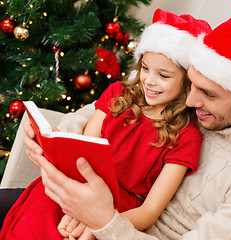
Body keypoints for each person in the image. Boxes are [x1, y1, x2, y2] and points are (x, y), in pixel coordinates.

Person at [5, 9, 231, 239]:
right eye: (192, 85)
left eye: (208, 94)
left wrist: (103, 222)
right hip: (90, 204)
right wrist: (57, 136)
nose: (189, 103)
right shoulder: (206, 109)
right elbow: (108, 113)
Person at [0, 9, 212, 240]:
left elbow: (149, 211)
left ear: (187, 83)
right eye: (145, 68)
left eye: (164, 75)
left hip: (117, 214)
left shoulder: (186, 136)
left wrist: (96, 221)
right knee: (33, 222)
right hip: (73, 189)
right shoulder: (119, 93)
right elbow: (83, 150)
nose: (149, 80)